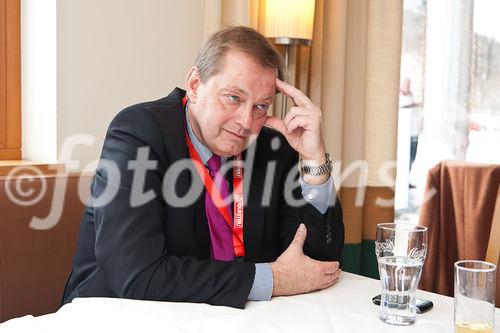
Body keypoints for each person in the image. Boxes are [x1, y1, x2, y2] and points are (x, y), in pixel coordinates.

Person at [62, 26, 344, 309]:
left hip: (230, 317)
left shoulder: (273, 145)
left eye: (261, 106)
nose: (246, 122)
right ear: (195, 85)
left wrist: (314, 159)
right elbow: (138, 275)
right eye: (233, 97)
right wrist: (272, 279)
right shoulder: (139, 132)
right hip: (117, 312)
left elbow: (316, 266)